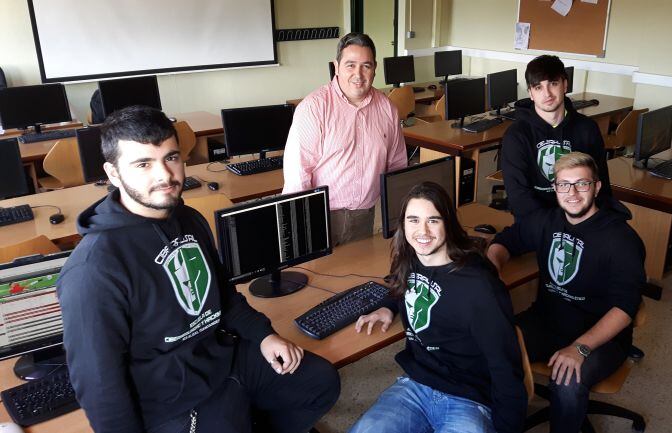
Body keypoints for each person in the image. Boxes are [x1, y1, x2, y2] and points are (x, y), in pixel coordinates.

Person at [57, 106, 340, 433]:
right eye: (144, 164)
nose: (164, 175)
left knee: (320, 382)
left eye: (171, 157)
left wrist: (264, 336)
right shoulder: (93, 270)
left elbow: (222, 296)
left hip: (222, 359)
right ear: (113, 173)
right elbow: (99, 384)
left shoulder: (187, 218)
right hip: (170, 399)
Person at [349, 182, 528, 433]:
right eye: (413, 220)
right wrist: (388, 307)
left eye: (433, 220)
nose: (422, 231)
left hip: (469, 396)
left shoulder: (479, 287)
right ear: (403, 225)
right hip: (417, 384)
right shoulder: (409, 258)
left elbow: (505, 366)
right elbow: (398, 283)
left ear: (448, 224)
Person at [487, 152, 644, 433]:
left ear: (596, 187)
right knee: (493, 349)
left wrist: (579, 348)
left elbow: (625, 309)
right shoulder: (547, 220)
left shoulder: (621, 239)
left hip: (600, 337)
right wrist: (493, 269)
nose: (571, 193)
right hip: (546, 321)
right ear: (555, 188)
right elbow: (505, 241)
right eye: (563, 185)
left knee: (567, 383)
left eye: (581, 184)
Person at [282, 32, 407, 246]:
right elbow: (298, 175)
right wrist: (300, 228)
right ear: (336, 66)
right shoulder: (314, 108)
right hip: (321, 216)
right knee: (319, 276)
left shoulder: (387, 108)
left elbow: (397, 165)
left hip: (365, 215)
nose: (358, 74)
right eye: (350, 65)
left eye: (366, 66)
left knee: (357, 273)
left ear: (374, 68)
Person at [501, 54, 612, 218]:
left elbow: (600, 185)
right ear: (530, 93)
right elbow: (519, 198)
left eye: (553, 84)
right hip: (537, 223)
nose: (547, 94)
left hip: (581, 219)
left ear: (565, 85)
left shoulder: (587, 128)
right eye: (538, 87)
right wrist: (556, 228)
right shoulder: (516, 135)